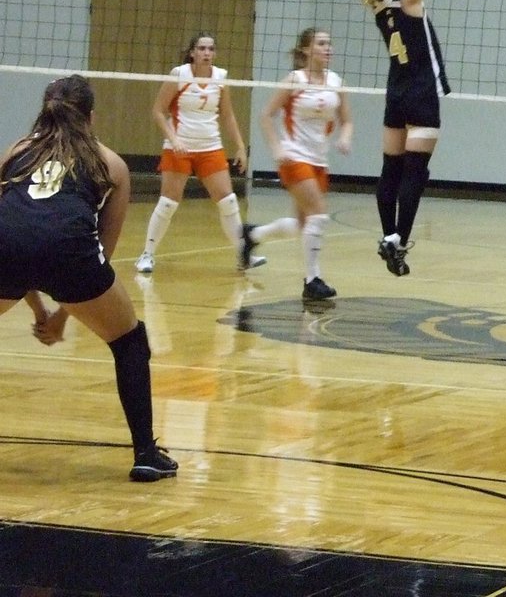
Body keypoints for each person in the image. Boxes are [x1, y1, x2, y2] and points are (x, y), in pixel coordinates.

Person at [0, 75, 177, 482]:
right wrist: (62, 315)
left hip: (5, 250)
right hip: (71, 256)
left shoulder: (15, 152)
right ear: (91, 117)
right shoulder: (110, 163)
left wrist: (39, 308)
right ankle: (146, 454)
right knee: (130, 341)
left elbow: (16, 228)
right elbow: (102, 251)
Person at [360, 0, 456, 278]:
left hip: (395, 93)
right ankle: (399, 237)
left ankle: (388, 237)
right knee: (416, 172)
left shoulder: (379, 7)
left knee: (390, 171)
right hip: (421, 93)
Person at [134, 33, 265, 274]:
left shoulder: (220, 78)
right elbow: (158, 111)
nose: (207, 53)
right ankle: (147, 254)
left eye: (211, 49)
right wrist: (173, 139)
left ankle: (243, 254)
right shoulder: (179, 74)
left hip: (210, 146)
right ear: (192, 52)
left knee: (228, 201)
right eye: (202, 48)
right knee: (168, 203)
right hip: (179, 146)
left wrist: (239, 146)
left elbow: (227, 115)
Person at [255, 28, 353, 301]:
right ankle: (312, 281)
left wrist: (344, 138)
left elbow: (347, 120)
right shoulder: (294, 80)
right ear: (306, 50)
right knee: (319, 214)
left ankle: (252, 235)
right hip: (294, 156)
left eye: (329, 43)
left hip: (319, 160)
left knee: (302, 224)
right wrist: (276, 149)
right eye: (321, 43)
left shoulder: (336, 82)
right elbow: (266, 116)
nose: (327, 48)